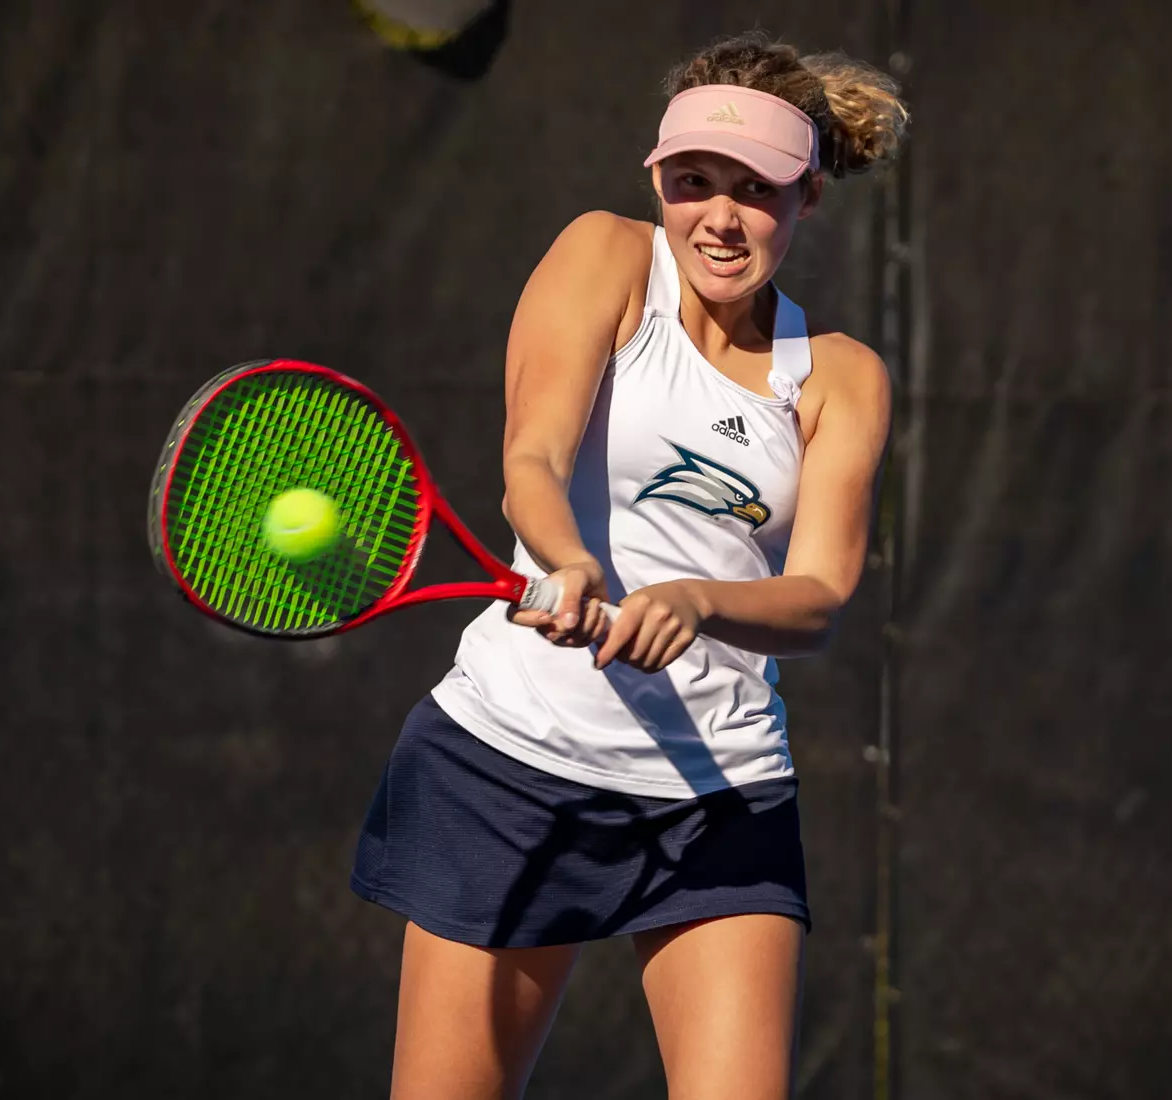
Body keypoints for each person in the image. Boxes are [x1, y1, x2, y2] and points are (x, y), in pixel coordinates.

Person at [350, 30, 908, 1100]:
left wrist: (697, 599)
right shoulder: (605, 255)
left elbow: (820, 595)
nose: (722, 217)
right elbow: (533, 453)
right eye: (694, 183)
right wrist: (564, 558)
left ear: (807, 202)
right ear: (659, 179)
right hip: (509, 764)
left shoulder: (839, 377)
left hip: (719, 793)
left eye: (757, 189)